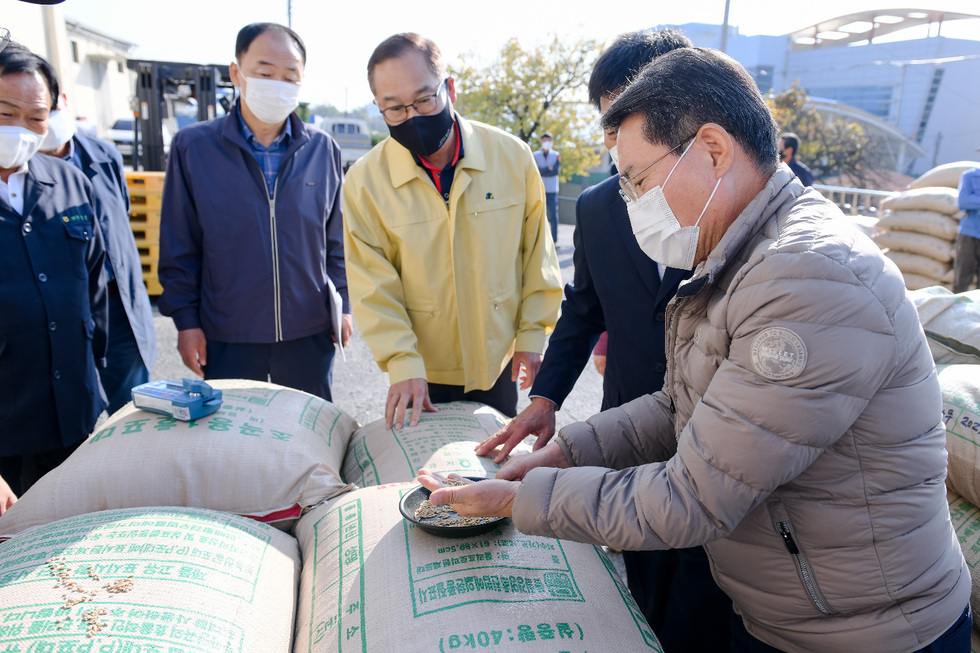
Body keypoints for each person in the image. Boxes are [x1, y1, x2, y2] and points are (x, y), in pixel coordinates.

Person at [421, 47, 971, 653]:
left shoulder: (808, 277)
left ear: (712, 150)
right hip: (789, 610)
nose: (630, 201)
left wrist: (521, 499)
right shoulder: (741, 253)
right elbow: (680, 405)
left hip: (866, 632)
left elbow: (695, 496)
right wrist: (563, 453)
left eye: (637, 178)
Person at [474, 29, 731, 652]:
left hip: (720, 435)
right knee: (641, 581)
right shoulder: (596, 207)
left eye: (631, 121)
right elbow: (584, 307)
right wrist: (547, 398)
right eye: (608, 127)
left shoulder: (731, 209)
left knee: (705, 594)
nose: (619, 144)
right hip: (631, 419)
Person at [343, 33, 562, 429]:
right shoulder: (364, 182)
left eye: (425, 99)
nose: (413, 116)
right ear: (379, 107)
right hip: (420, 374)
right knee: (426, 485)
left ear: (450, 89)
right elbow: (373, 284)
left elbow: (537, 258)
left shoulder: (512, 157)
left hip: (498, 366)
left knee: (493, 477)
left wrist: (531, 337)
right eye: (394, 108)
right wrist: (401, 360)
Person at [158, 22, 351, 401]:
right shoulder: (194, 147)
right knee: (231, 447)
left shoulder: (322, 149)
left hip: (308, 335)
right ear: (237, 73)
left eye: (289, 76)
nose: (277, 84)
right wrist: (186, 322)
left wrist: (342, 304)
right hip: (227, 336)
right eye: (264, 73)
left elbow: (337, 240)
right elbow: (180, 243)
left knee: (304, 443)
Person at [0, 43, 108, 499]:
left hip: (71, 419)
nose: (20, 129)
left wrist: (95, 390)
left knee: (64, 555)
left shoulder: (70, 183)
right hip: (6, 427)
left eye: (35, 117)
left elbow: (97, 290)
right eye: (5, 112)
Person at [40, 84, 157, 416]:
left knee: (134, 414)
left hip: (116, 306)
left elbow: (119, 214)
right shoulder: (16, 171)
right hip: (56, 314)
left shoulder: (104, 156)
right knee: (70, 418)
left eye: (47, 106)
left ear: (62, 99)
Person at [953, 162, 980, 293]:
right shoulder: (970, 176)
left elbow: (969, 200)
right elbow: (963, 201)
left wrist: (975, 199)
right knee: (962, 276)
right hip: (969, 234)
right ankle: (956, 309)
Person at [533, 132, 561, 244]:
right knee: (538, 216)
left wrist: (543, 170)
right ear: (541, 142)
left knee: (553, 215)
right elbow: (536, 172)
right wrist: (547, 169)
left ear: (552, 142)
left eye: (549, 140)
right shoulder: (535, 155)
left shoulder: (556, 155)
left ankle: (554, 241)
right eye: (544, 140)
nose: (546, 143)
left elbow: (555, 171)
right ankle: (538, 241)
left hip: (552, 190)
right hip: (539, 189)